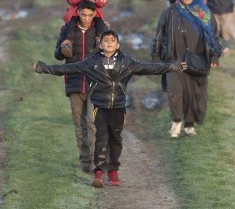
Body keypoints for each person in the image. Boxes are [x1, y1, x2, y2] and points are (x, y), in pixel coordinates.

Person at [34, 29, 185, 187]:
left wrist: (172, 67)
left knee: (116, 140)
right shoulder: (90, 63)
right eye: (106, 40)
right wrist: (44, 68)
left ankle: (113, 172)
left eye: (112, 40)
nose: (109, 43)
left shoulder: (127, 62)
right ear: (100, 45)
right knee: (101, 138)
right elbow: (67, 69)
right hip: (99, 107)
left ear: (118, 45)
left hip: (118, 108)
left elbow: (149, 68)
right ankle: (99, 172)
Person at [151, 0, 222, 138]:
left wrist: (215, 55)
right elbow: (159, 35)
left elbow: (213, 37)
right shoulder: (169, 12)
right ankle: (176, 122)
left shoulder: (204, 13)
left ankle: (189, 125)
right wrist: (156, 56)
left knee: (193, 94)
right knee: (174, 91)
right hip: (173, 60)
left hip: (197, 60)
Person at [53, 0, 108, 172]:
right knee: (79, 124)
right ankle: (84, 163)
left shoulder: (101, 31)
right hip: (74, 82)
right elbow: (57, 55)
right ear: (78, 13)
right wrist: (63, 50)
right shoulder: (67, 30)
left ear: (94, 15)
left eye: (90, 15)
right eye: (83, 15)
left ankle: (95, 163)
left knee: (92, 123)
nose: (86, 18)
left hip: (95, 83)